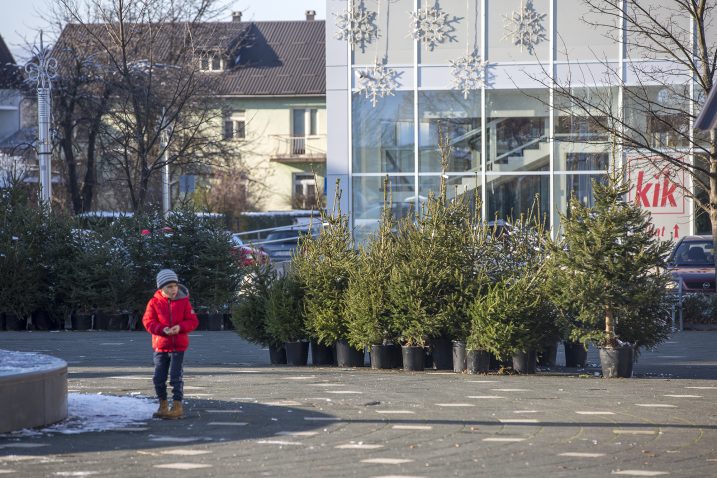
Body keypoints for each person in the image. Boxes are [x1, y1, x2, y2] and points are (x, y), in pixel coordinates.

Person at [142, 269, 199, 419]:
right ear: (161, 288)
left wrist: (180, 327)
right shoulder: (154, 302)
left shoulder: (184, 301)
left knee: (176, 377)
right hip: (160, 346)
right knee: (159, 378)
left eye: (175, 286)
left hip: (178, 347)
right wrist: (162, 329)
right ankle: (163, 405)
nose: (174, 289)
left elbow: (192, 321)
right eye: (169, 287)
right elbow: (148, 321)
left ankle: (177, 406)